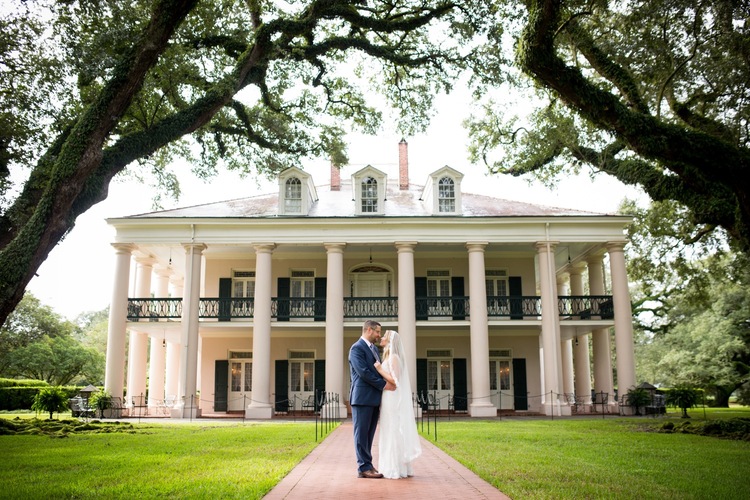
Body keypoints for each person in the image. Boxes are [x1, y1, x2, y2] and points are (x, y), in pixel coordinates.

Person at [349, 320, 395, 479]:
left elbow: (377, 370)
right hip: (361, 398)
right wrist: (384, 385)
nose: (379, 335)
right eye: (377, 332)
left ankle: (368, 465)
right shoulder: (356, 349)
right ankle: (363, 468)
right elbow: (363, 373)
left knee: (369, 435)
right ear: (369, 330)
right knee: (361, 434)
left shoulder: (374, 349)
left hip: (374, 398)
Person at [373, 330, 422, 479]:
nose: (381, 337)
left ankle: (394, 467)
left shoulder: (394, 358)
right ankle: (392, 465)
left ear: (390, 341)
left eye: (384, 336)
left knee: (392, 430)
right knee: (388, 429)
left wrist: (380, 370)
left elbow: (395, 380)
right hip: (387, 397)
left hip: (392, 397)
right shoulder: (388, 356)